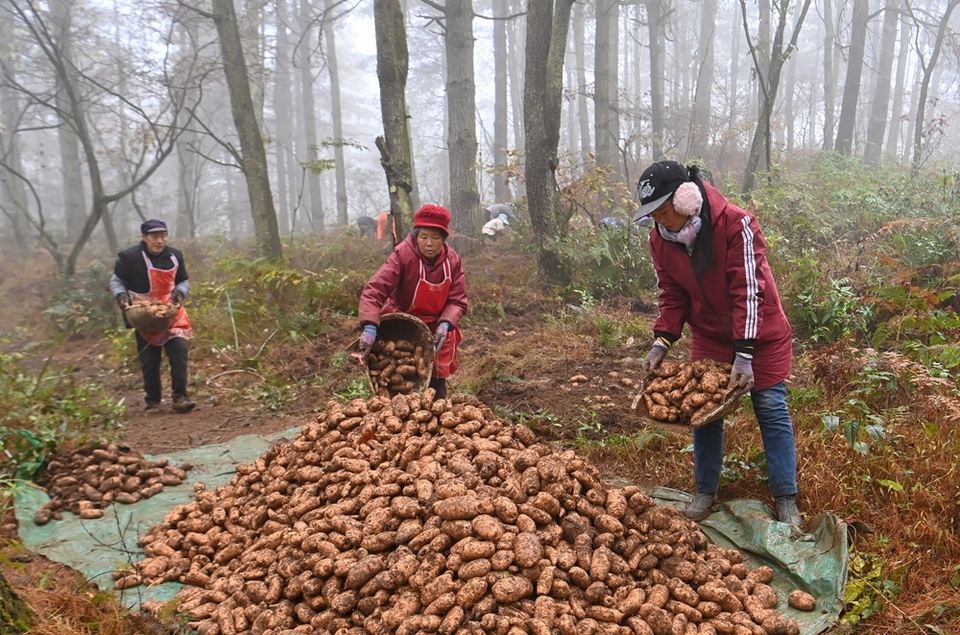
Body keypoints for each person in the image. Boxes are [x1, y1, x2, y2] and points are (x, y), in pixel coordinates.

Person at [634, 160, 802, 529]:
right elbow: (672, 294)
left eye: (664, 211)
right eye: (654, 216)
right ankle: (706, 492)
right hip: (710, 334)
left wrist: (745, 353)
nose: (661, 221)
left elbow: (749, 291)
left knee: (770, 407)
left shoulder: (735, 223)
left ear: (686, 198)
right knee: (704, 413)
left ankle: (786, 498)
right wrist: (661, 342)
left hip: (762, 331)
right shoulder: (660, 240)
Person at [358, 204, 468, 399]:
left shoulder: (453, 262)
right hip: (402, 328)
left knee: (436, 387)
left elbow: (458, 300)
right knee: (395, 385)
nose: (429, 243)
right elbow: (374, 290)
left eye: (435, 238)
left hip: (436, 331)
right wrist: (369, 325)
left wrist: (446, 323)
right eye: (424, 236)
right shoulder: (403, 255)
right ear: (416, 236)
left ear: (444, 239)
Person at [110, 219, 196, 413]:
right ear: (144, 238)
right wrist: (121, 296)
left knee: (179, 352)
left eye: (163, 236)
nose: (159, 241)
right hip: (143, 315)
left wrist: (179, 294)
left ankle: (180, 397)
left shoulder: (175, 256)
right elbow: (117, 281)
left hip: (170, 313)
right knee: (149, 360)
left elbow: (183, 281)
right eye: (155, 237)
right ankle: (153, 402)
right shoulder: (129, 257)